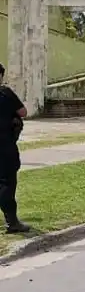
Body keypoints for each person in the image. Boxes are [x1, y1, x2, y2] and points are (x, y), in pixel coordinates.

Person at [0, 64, 29, 234]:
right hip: (4, 146)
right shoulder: (6, 93)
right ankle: (12, 222)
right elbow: (23, 112)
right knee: (6, 183)